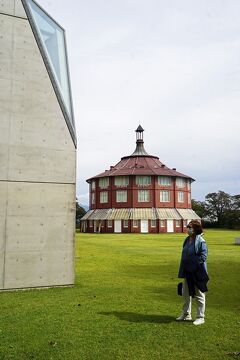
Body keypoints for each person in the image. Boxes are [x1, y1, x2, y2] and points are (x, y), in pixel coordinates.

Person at [176, 220, 209, 326]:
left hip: (197, 271)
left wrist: (194, 265)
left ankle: (200, 317)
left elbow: (203, 256)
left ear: (195, 229)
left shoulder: (201, 241)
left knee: (199, 294)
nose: (188, 229)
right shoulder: (187, 240)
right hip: (187, 271)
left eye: (190, 227)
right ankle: (186, 314)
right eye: (187, 227)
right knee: (185, 293)